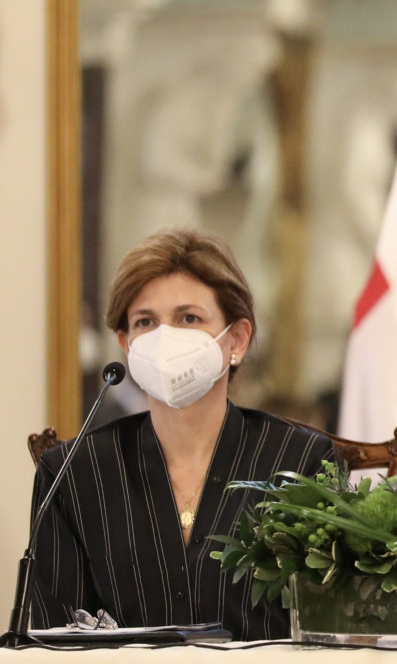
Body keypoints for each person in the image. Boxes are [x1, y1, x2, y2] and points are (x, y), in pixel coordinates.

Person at [25, 229, 336, 639]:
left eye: (189, 318)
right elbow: (58, 639)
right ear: (126, 345)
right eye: (146, 322)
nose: (165, 338)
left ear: (237, 339)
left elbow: (328, 625)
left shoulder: (300, 460)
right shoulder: (72, 473)